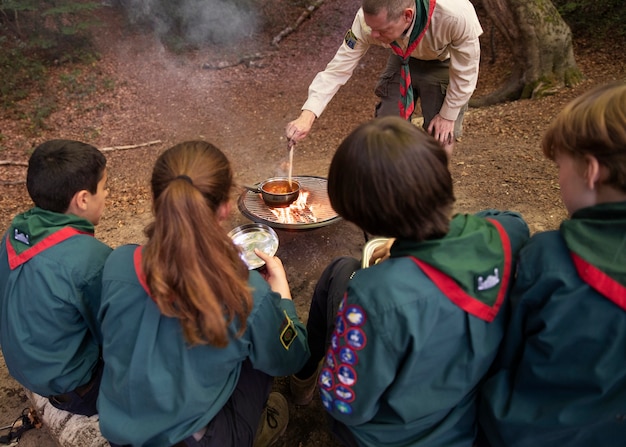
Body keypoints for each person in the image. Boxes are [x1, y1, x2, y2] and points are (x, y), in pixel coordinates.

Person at [289, 116, 529, 446]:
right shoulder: (505, 233)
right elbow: (502, 222)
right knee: (341, 270)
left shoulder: (373, 295)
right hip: (463, 413)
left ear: (362, 215)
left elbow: (346, 404)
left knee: (341, 272)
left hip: (397, 436)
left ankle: (302, 378)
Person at [97, 141, 310, 447]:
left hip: (121, 427)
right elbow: (292, 358)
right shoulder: (247, 296)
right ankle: (254, 428)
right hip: (201, 439)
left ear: (157, 200)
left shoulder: (118, 264)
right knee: (260, 348)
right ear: (225, 209)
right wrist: (282, 298)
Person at [477, 82, 626, 446]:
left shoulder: (550, 258)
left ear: (592, 171)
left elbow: (503, 352)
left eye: (560, 165)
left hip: (520, 431)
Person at [0, 139, 111, 416]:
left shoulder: (14, 234)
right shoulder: (90, 261)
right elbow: (115, 333)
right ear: (83, 199)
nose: (107, 194)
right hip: (78, 391)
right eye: (104, 187)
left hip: (27, 369)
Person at [286, 0, 482, 152]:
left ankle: (431, 193)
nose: (374, 35)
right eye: (372, 28)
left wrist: (448, 116)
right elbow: (337, 69)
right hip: (402, 58)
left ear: (407, 15)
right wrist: (307, 115)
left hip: (443, 63)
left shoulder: (455, 17)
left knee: (440, 136)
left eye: (381, 30)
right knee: (387, 128)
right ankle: (389, 189)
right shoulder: (365, 21)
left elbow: (466, 72)